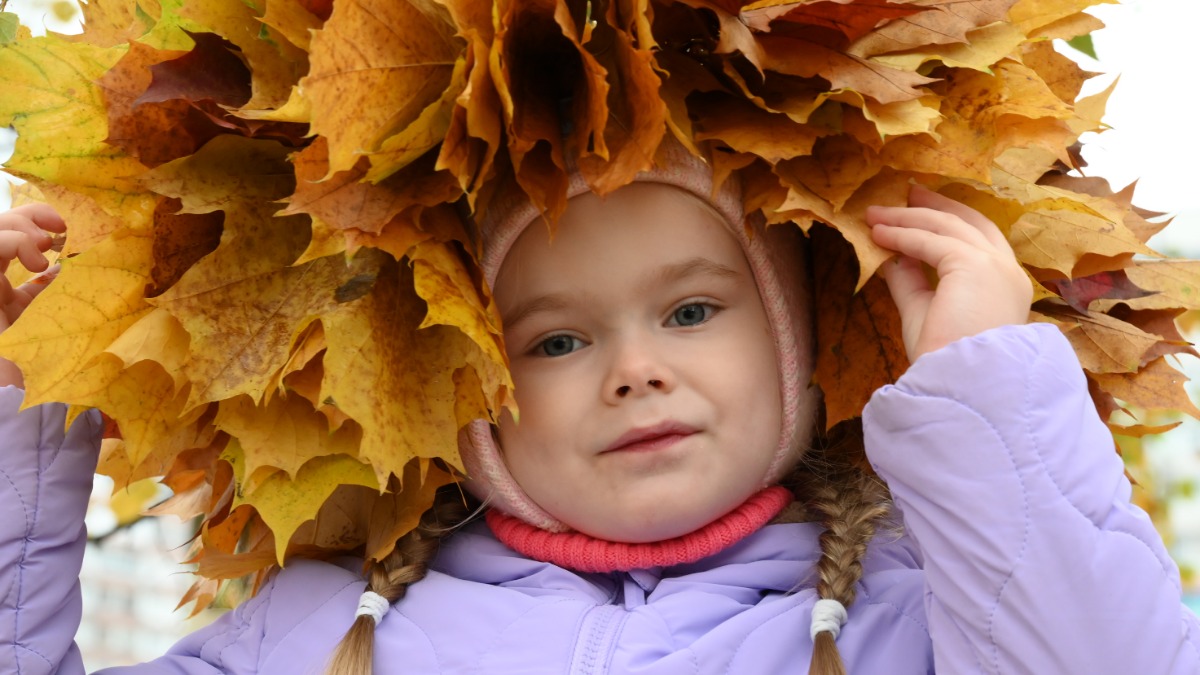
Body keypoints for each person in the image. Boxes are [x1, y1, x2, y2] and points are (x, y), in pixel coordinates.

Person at [2, 143, 1199, 675]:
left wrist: (980, 386)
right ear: (458, 385)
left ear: (804, 341)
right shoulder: (308, 636)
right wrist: (18, 397)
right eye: (558, 339)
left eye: (691, 312)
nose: (633, 371)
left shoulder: (927, 615)